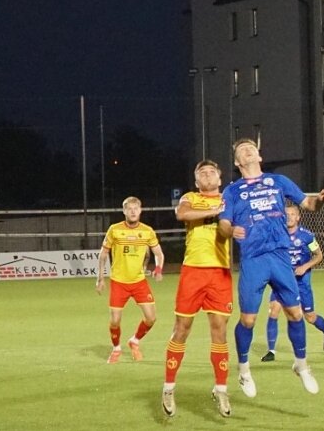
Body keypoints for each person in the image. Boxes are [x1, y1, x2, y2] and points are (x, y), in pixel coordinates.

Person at [218, 138, 324, 398]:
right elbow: (223, 224)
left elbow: (309, 204)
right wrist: (230, 229)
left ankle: (301, 365)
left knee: (295, 314)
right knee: (248, 320)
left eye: (251, 148)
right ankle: (244, 369)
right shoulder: (233, 191)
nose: (247, 151)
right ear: (237, 162)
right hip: (254, 259)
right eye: (241, 151)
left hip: (280, 257)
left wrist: (322, 199)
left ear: (259, 156)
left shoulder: (278, 181)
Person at [162, 160, 233, 418]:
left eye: (211, 171)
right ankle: (169, 387)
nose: (207, 175)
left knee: (219, 330)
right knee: (182, 329)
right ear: (196, 181)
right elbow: (182, 214)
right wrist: (215, 210)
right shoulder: (190, 198)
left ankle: (221, 388)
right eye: (201, 172)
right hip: (193, 271)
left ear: (220, 178)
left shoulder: (229, 198)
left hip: (220, 272)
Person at [261, 200, 324, 362]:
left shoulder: (306, 236)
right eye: (286, 214)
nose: (289, 217)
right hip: (282, 280)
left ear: (298, 217)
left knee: (310, 317)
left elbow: (319, 256)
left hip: (301, 282)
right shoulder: (276, 234)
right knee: (273, 310)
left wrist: (304, 267)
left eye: (292, 214)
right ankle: (271, 351)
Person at [96, 196, 165, 364]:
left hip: (139, 282)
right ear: (124, 211)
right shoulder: (115, 229)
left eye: (136, 208)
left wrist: (158, 269)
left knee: (151, 318)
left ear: (140, 211)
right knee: (115, 320)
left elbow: (159, 254)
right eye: (129, 208)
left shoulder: (147, 231)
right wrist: (100, 278)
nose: (133, 211)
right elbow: (103, 254)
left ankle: (134, 340)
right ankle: (116, 348)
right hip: (119, 281)